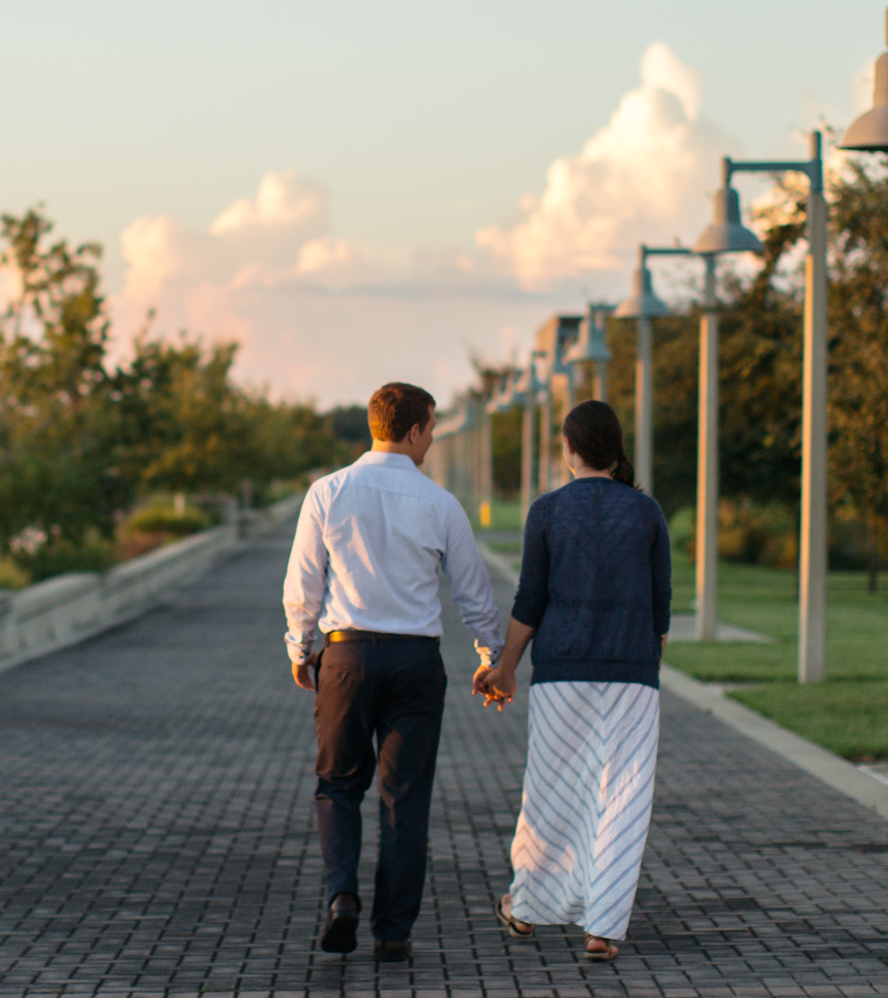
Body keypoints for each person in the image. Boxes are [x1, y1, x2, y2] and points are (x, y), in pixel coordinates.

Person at [283, 381, 504, 962]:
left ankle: (342, 897)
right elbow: (474, 593)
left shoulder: (327, 492)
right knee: (404, 796)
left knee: (337, 785)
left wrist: (300, 648)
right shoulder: (440, 503)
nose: (432, 440)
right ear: (413, 431)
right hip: (414, 661)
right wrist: (490, 658)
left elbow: (302, 583)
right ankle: (394, 930)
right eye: (431, 429)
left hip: (347, 655)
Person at [472, 398, 670, 964]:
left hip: (561, 673)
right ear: (616, 448)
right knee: (623, 798)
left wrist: (505, 666)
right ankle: (602, 928)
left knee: (553, 792)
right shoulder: (647, 512)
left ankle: (528, 905)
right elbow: (661, 606)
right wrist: (645, 667)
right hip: (632, 676)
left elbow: (530, 599)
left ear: (568, 450)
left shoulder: (548, 511)